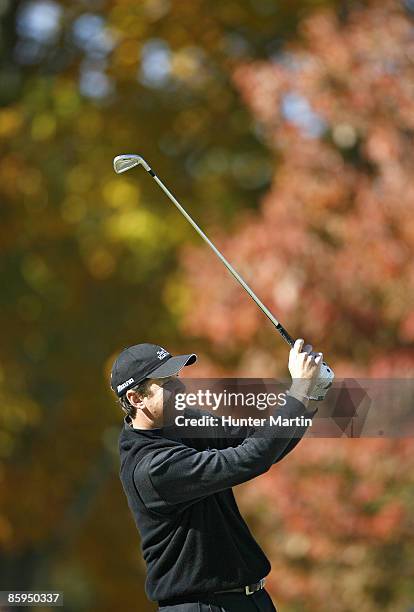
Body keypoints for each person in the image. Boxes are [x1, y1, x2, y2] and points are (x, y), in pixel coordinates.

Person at [110, 338, 322, 612]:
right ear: (136, 398)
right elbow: (251, 458)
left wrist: (311, 394)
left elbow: (261, 441)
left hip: (249, 600)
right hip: (202, 606)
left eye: (177, 378)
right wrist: (299, 390)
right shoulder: (153, 467)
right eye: (167, 384)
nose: (181, 388)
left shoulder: (186, 422)